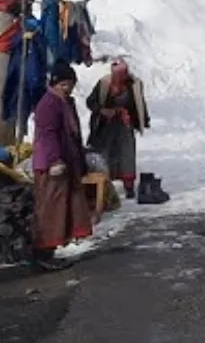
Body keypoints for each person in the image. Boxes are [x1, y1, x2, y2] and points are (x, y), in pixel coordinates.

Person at [30, 60, 92, 268]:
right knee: (51, 210)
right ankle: (43, 253)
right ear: (54, 84)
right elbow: (47, 136)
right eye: (63, 84)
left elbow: (73, 134)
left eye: (70, 84)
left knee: (62, 209)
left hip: (66, 162)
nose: (67, 88)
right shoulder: (48, 104)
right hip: (51, 166)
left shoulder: (65, 102)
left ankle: (51, 250)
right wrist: (53, 161)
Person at [86, 58, 150, 201]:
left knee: (127, 154)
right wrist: (103, 110)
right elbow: (90, 102)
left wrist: (143, 119)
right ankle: (105, 185)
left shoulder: (134, 84)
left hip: (125, 124)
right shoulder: (104, 83)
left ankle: (129, 186)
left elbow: (139, 102)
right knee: (106, 153)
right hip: (106, 125)